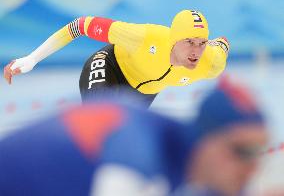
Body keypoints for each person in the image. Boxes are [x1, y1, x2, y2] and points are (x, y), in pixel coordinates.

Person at [0, 79, 267, 196]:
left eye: (259, 152)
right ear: (205, 139)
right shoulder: (136, 150)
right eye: (242, 151)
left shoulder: (194, 158)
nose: (252, 168)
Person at [3, 10, 229, 107]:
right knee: (100, 117)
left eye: (201, 43)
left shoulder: (210, 63)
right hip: (110, 66)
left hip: (142, 93)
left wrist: (219, 44)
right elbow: (80, 25)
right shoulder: (143, 36)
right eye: (189, 41)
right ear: (174, 40)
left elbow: (221, 44)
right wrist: (32, 58)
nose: (196, 51)